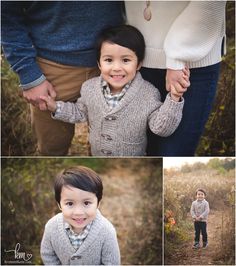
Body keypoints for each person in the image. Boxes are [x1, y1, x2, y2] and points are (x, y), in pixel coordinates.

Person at [40, 25, 190, 156]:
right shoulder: (89, 88)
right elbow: (80, 113)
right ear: (99, 64)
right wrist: (55, 107)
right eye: (108, 60)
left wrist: (174, 98)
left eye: (126, 60)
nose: (117, 68)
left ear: (138, 64)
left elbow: (161, 128)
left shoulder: (148, 94)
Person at [1, 1, 124, 155]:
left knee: (107, 149)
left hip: (114, 63)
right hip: (52, 68)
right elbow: (7, 15)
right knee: (52, 149)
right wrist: (29, 75)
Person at [125, 1, 227, 156]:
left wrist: (178, 56)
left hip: (192, 62)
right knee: (144, 151)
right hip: (134, 57)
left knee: (173, 153)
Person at [40, 166, 120, 265]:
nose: (78, 212)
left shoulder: (106, 231)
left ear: (98, 203)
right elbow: (48, 255)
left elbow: (111, 263)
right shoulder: (51, 227)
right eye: (70, 203)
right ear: (59, 205)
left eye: (86, 203)